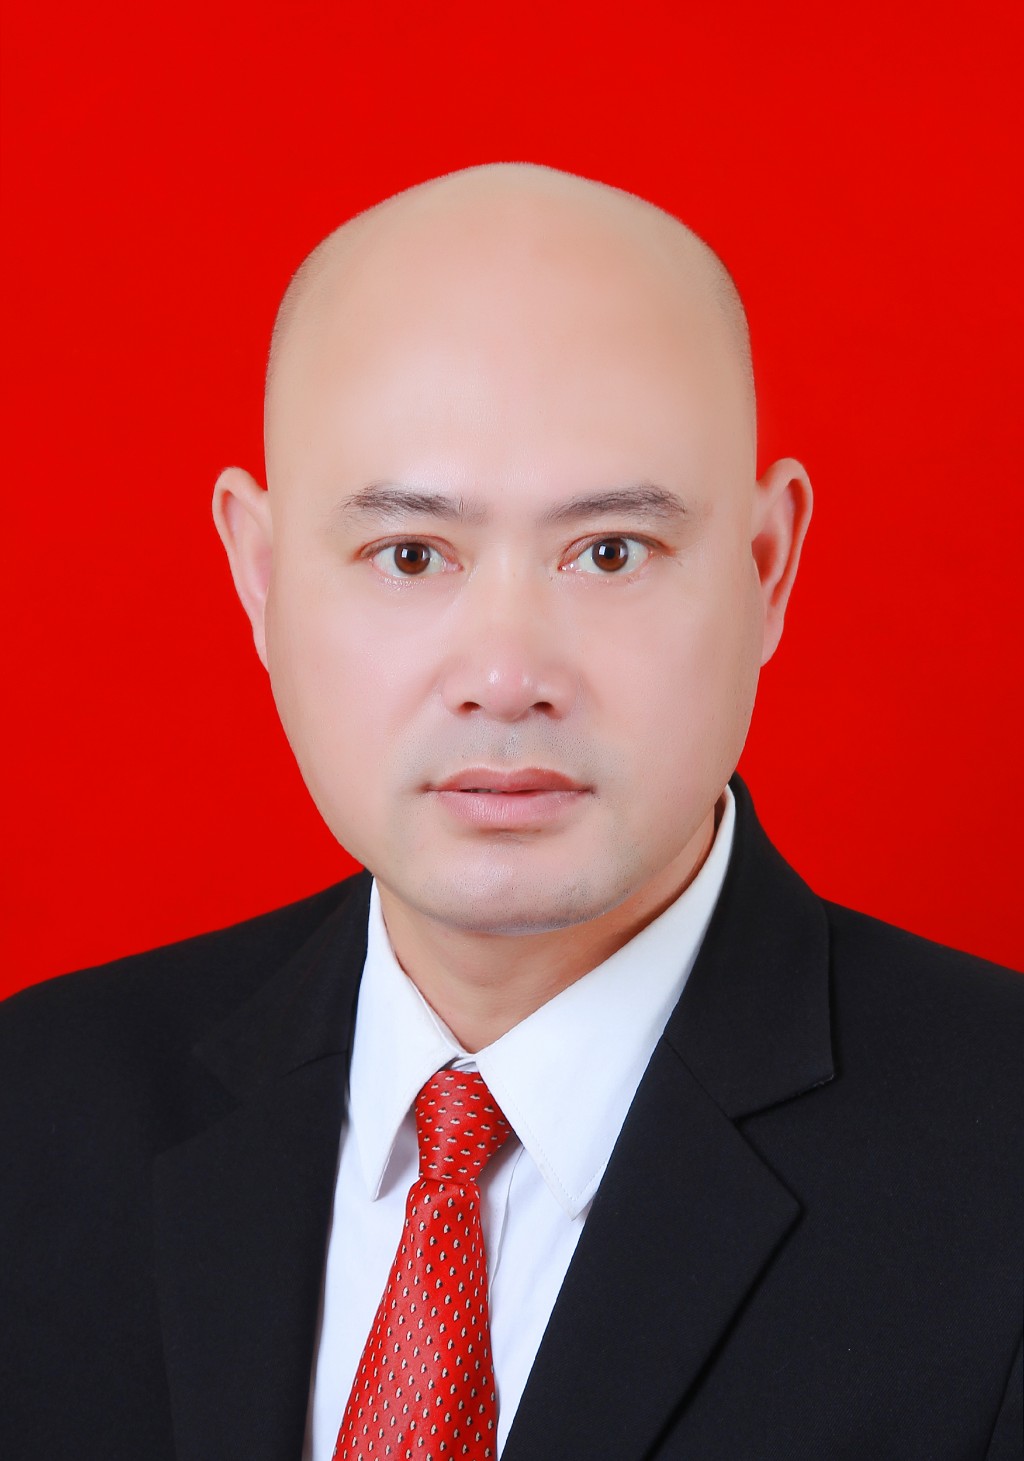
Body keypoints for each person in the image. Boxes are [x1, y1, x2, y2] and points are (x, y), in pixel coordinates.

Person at [2, 164, 1021, 1461]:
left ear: (769, 568)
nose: (505, 674)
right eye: (410, 555)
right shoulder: (37, 1109)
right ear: (258, 576)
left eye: (610, 552)